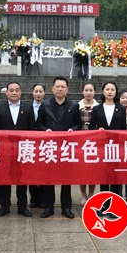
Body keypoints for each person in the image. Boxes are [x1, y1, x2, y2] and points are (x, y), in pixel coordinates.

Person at [36, 76, 82, 219]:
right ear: (52, 89)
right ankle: (48, 207)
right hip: (49, 147)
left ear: (67, 89)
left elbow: (78, 124)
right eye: (57, 86)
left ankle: (66, 207)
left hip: (66, 147)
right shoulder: (45, 104)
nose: (60, 89)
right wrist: (45, 130)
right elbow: (39, 124)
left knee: (66, 178)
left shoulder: (73, 105)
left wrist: (73, 130)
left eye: (63, 87)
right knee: (48, 178)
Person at [0, 81, 36, 217]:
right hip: (5, 149)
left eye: (17, 90)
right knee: (5, 178)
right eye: (11, 90)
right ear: (6, 93)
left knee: (22, 179)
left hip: (23, 149)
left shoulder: (28, 107)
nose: (14, 92)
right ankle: (5, 206)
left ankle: (22, 206)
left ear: (20, 92)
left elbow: (32, 130)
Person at [89, 82, 127, 196]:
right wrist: (98, 129)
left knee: (116, 175)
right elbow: (91, 126)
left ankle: (115, 201)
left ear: (116, 92)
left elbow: (124, 129)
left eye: (112, 89)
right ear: (103, 91)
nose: (110, 92)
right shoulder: (97, 109)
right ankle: (104, 201)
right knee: (104, 175)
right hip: (102, 146)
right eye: (107, 89)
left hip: (117, 146)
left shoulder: (121, 109)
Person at [78, 82, 99, 204]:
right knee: (82, 170)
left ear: (94, 92)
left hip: (94, 143)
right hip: (80, 142)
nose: (88, 93)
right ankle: (83, 194)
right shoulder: (77, 106)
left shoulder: (98, 107)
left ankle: (91, 194)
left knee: (93, 170)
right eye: (86, 90)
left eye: (91, 90)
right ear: (82, 92)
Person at [30, 83, 46, 208]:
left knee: (43, 171)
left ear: (44, 93)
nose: (38, 94)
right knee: (31, 171)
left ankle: (43, 198)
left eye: (41, 91)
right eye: (36, 91)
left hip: (44, 143)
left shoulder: (48, 106)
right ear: (32, 93)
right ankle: (34, 198)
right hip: (30, 143)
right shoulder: (27, 106)